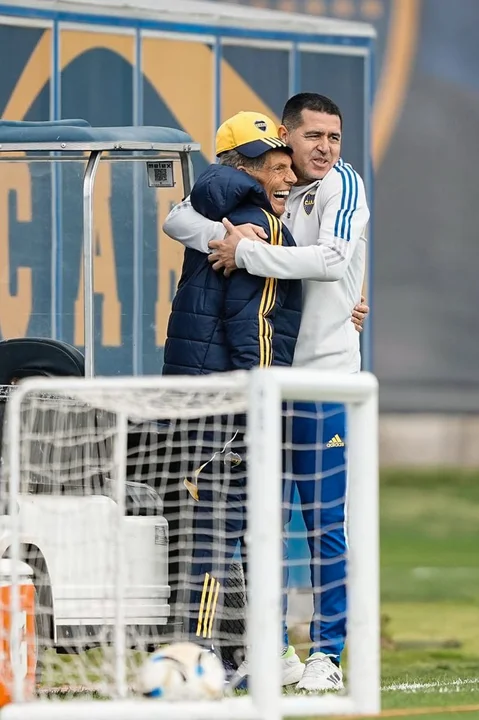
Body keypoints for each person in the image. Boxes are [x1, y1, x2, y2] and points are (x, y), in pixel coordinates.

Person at [163, 93, 370, 693]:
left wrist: (247, 252)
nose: (325, 149)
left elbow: (332, 260)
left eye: (334, 137)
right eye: (313, 137)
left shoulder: (341, 185)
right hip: (268, 379)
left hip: (323, 380)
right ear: (287, 136)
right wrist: (224, 237)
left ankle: (326, 653)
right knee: (263, 525)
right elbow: (177, 219)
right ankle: (274, 649)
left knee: (324, 522)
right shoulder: (266, 189)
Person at [162, 110, 305, 687]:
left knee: (214, 531)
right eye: (276, 166)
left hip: (202, 399)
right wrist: (262, 401)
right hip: (231, 405)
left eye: (288, 166)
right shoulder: (255, 225)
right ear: (243, 168)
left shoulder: (218, 215)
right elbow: (257, 326)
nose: (289, 177)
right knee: (217, 533)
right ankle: (203, 656)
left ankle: (233, 655)